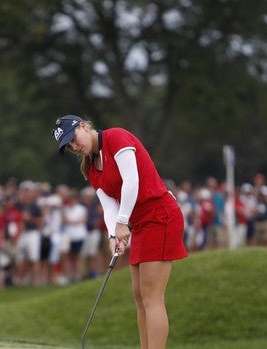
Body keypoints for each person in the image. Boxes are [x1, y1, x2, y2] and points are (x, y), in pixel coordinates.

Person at [53, 115, 188, 349]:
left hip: (160, 216)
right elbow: (109, 207)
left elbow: (131, 181)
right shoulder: (90, 166)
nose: (75, 146)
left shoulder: (116, 137)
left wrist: (123, 223)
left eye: (73, 138)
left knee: (152, 296)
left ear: (83, 126)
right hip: (139, 223)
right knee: (139, 296)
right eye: (69, 146)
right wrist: (113, 235)